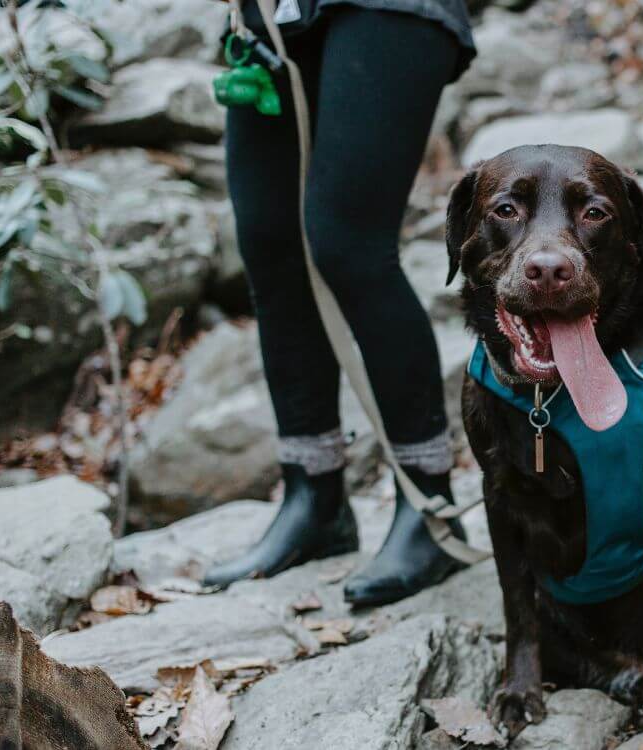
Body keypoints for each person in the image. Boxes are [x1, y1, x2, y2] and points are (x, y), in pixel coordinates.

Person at [203, 0, 476, 608]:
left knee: (349, 244)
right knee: (272, 248)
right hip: (268, 14)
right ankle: (315, 498)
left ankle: (429, 508)